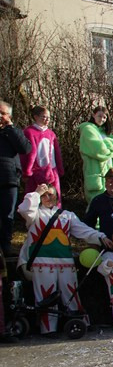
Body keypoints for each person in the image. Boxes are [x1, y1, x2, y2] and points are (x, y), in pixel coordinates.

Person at [17, 184, 111, 336]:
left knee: (72, 293)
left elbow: (83, 230)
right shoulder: (35, 214)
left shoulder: (67, 215)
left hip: (65, 262)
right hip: (42, 262)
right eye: (45, 195)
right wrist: (36, 192)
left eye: (52, 194)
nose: (49, 197)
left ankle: (79, 323)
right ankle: (48, 329)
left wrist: (101, 237)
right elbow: (23, 209)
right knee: (46, 297)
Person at [0, 101, 31, 257]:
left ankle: (5, 245)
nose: (0, 116)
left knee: (7, 215)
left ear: (9, 116)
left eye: (3, 113)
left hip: (9, 177)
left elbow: (25, 148)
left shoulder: (13, 131)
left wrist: (10, 127)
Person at [79, 106, 113, 203]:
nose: (102, 119)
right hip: (96, 175)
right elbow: (100, 151)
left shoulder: (105, 132)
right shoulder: (88, 129)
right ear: (93, 115)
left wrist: (105, 143)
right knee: (96, 203)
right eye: (99, 116)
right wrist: (111, 147)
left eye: (104, 117)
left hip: (110, 173)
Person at [21, 105, 64, 208]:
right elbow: (27, 154)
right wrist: (27, 171)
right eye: (44, 117)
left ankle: (56, 219)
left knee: (54, 197)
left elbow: (56, 153)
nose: (47, 120)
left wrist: (59, 169)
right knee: (35, 198)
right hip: (35, 171)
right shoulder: (29, 132)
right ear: (36, 117)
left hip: (52, 171)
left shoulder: (51, 133)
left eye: (48, 117)